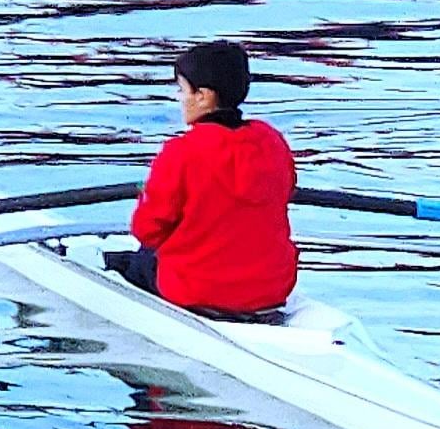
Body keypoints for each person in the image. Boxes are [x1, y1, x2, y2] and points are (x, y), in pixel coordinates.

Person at [105, 41, 298, 318]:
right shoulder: (272, 141)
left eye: (183, 90)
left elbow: (147, 230)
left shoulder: (181, 152)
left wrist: (147, 192)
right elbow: (286, 189)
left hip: (196, 292)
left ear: (204, 97)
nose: (180, 99)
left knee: (137, 259)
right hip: (271, 290)